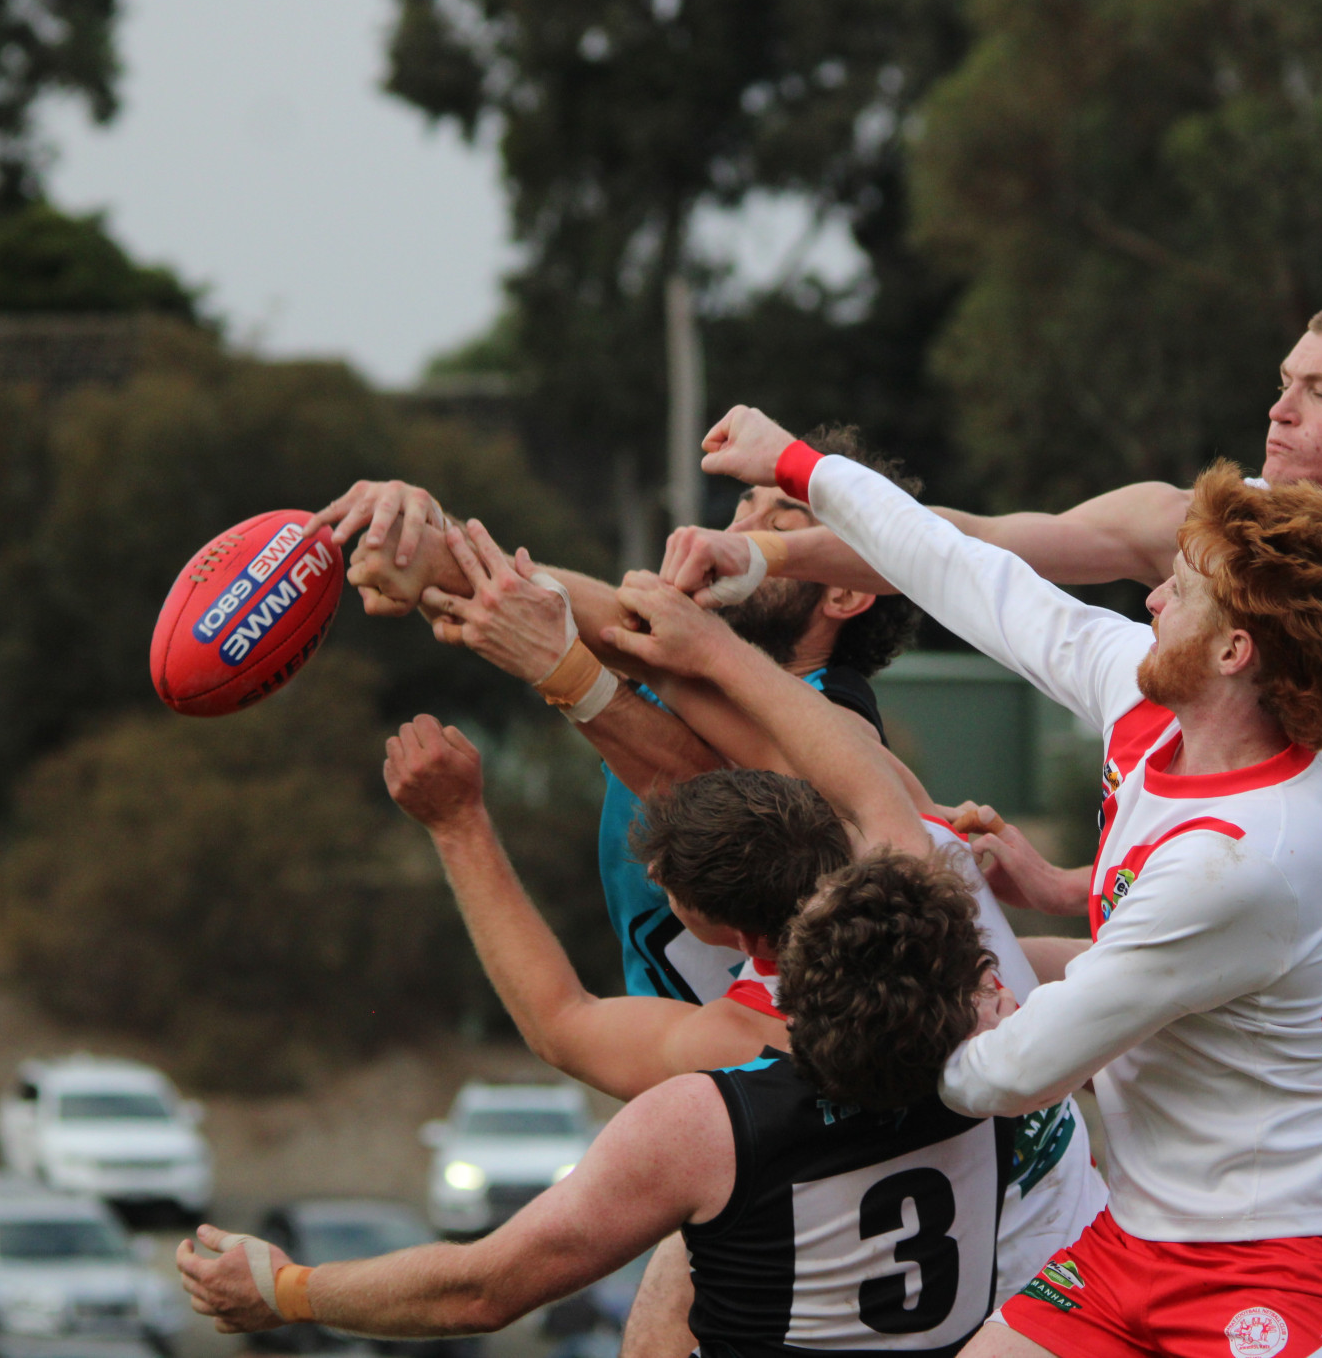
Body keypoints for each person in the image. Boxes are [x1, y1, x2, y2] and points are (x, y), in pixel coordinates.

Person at [663, 302, 1322, 1358]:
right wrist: (784, 524)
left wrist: (939, 1029)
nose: (1148, 598)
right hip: (1146, 1196)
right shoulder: (1161, 677)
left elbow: (1313, 819)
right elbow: (976, 562)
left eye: (1318, 392)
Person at [371, 530, 1104, 1354]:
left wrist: (465, 813)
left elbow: (559, 1021)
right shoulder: (921, 853)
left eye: (777, 519)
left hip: (1009, 1277)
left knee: (672, 1280)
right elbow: (811, 756)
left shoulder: (750, 1034)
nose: (736, 533)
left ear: (728, 930)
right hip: (1043, 1227)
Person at [178, 852, 1017, 1358]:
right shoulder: (1007, 1064)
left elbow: (479, 1290)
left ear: (796, 990)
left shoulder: (704, 1124)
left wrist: (286, 1289)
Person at [310, 426, 921, 1008]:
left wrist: (569, 675)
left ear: (844, 591)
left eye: (781, 523)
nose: (739, 532)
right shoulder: (687, 668)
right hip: (691, 1065)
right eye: (744, 507)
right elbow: (569, 609)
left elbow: (735, 807)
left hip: (788, 1084)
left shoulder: (840, 719)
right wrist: (425, 536)